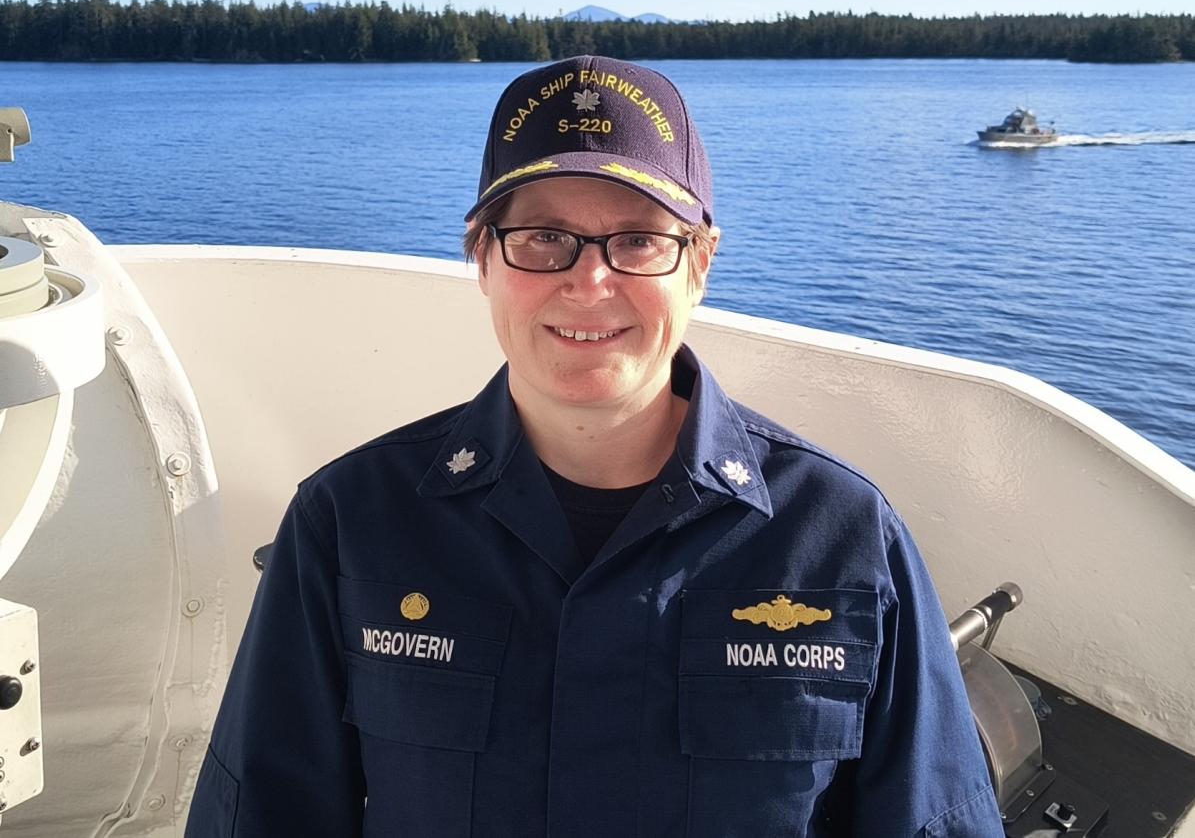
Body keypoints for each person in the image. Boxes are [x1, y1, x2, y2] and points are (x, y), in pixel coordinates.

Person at [186, 55, 1004, 837]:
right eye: (542, 237)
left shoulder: (840, 535)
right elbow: (264, 811)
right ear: (481, 257)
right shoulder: (351, 520)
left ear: (700, 262)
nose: (589, 282)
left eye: (639, 240)